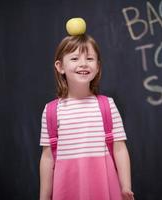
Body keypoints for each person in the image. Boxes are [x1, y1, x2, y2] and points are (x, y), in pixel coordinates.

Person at [39, 34, 134, 200]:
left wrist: (125, 186)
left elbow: (119, 149)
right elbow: (47, 158)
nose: (83, 63)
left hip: (103, 184)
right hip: (67, 186)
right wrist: (44, 196)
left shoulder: (107, 105)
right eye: (75, 58)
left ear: (97, 66)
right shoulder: (51, 111)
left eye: (90, 58)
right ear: (60, 66)